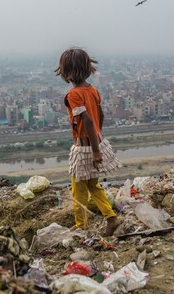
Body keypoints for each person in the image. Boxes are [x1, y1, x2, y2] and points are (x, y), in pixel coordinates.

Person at [55, 47, 122, 236]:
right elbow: (100, 116)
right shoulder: (92, 90)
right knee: (93, 185)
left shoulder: (74, 95)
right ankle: (111, 218)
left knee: (78, 189)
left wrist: (94, 151)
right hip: (96, 142)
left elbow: (88, 121)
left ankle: (81, 225)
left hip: (85, 147)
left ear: (66, 71)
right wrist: (98, 142)